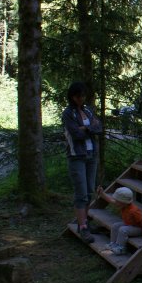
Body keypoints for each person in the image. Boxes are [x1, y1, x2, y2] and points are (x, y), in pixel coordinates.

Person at [62, 81, 103, 244]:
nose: (82, 98)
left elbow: (98, 127)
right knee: (81, 193)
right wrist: (88, 129)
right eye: (79, 96)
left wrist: (85, 129)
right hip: (77, 155)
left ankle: (84, 222)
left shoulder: (87, 110)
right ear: (73, 96)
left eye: (83, 95)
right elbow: (75, 134)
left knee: (89, 191)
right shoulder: (68, 113)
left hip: (91, 154)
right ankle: (83, 227)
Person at [96, 186, 142, 255]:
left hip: (138, 229)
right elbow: (110, 200)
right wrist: (102, 193)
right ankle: (113, 244)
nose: (115, 202)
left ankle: (121, 248)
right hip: (129, 224)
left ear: (124, 202)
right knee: (115, 226)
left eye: (117, 201)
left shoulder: (134, 210)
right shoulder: (123, 205)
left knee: (122, 229)